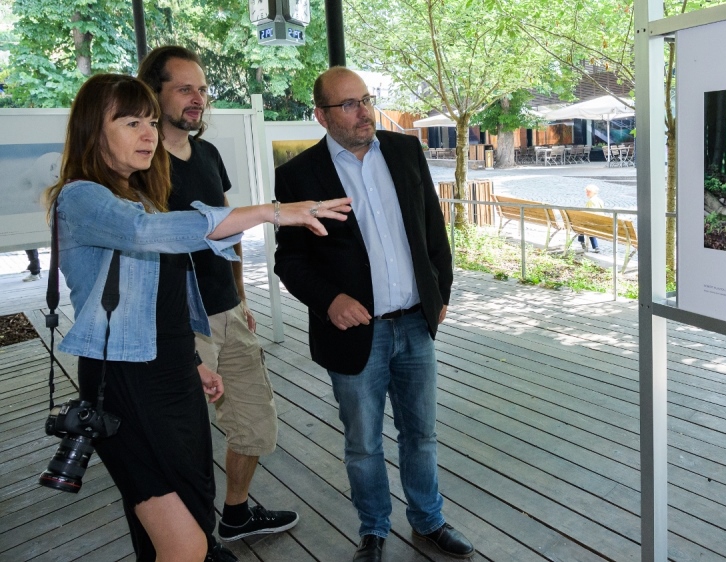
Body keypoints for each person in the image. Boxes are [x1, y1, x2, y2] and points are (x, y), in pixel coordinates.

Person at [45, 73, 350, 562]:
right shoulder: (81, 197)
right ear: (91, 132)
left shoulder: (137, 196)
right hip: (126, 381)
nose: (148, 134)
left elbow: (160, 302)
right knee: (185, 543)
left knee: (184, 524)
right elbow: (149, 235)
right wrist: (273, 212)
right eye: (130, 122)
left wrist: (191, 361)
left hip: (169, 373)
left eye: (149, 121)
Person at [273, 67, 474, 562]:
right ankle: (374, 530)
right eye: (349, 104)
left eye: (366, 99)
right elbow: (290, 260)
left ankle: (428, 521)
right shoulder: (299, 176)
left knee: (421, 434)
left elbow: (433, 228)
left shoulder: (404, 152)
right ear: (321, 115)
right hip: (355, 333)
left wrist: (439, 292)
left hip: (415, 323)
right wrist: (329, 300)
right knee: (363, 444)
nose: (364, 112)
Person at [138, 45, 299, 545]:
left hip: (227, 311)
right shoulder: (140, 162)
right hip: (176, 323)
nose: (198, 99)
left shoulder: (207, 153)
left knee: (254, 421)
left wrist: (242, 299)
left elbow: (228, 233)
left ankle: (234, 514)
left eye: (202, 89)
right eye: (185, 88)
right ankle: (190, 543)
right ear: (153, 91)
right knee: (181, 439)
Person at [577, 184, 604, 252]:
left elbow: (589, 214)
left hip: (593, 223)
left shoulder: (591, 201)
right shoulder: (600, 201)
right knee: (589, 227)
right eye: (586, 191)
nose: (587, 193)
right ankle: (595, 246)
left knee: (581, 225)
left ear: (594, 192)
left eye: (589, 191)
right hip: (600, 223)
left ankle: (581, 240)